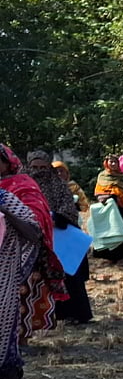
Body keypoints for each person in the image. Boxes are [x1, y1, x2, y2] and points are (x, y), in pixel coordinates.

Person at [0, 145, 66, 342]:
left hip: (19, 249)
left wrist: (6, 212)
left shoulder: (22, 184)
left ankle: (18, 340)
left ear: (7, 162)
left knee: (16, 298)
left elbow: (35, 221)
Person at [26, 151, 92, 324]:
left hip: (60, 237)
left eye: (42, 167)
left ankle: (74, 314)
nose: (38, 171)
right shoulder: (25, 186)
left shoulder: (60, 186)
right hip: (31, 237)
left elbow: (68, 207)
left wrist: (53, 216)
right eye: (34, 167)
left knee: (69, 276)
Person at [0, 188, 41, 379]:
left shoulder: (6, 199)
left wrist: (5, 212)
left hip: (3, 278)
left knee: (4, 331)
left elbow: (34, 233)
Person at [92, 155, 123, 262]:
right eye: (111, 161)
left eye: (116, 162)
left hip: (120, 209)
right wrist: (106, 197)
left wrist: (116, 195)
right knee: (106, 229)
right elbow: (98, 191)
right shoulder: (102, 176)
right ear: (106, 163)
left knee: (119, 230)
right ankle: (104, 253)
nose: (113, 164)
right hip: (106, 208)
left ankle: (120, 254)